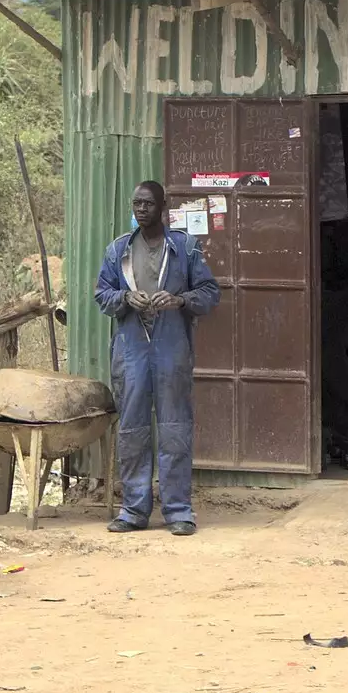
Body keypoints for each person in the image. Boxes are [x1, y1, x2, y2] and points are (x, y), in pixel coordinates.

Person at [95, 181, 221, 535]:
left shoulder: (183, 248)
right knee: (133, 427)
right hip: (132, 347)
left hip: (170, 346)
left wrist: (180, 300)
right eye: (136, 203)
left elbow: (210, 292)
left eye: (148, 204)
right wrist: (124, 298)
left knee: (174, 428)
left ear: (164, 207)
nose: (141, 209)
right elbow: (101, 294)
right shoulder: (118, 249)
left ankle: (178, 511)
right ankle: (133, 510)